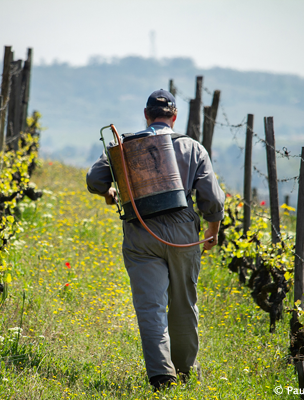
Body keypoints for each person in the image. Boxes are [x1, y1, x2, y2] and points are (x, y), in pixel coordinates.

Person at [86, 89, 225, 390]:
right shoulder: (192, 147)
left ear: (146, 115)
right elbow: (212, 198)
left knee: (151, 306)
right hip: (182, 234)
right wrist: (212, 232)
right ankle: (186, 371)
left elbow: (95, 180)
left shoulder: (126, 144)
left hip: (140, 231)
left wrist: (110, 192)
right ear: (174, 117)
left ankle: (162, 376)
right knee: (184, 305)